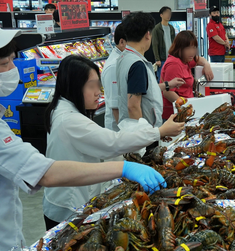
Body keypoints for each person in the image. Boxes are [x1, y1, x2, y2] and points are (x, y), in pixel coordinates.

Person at [0, 19, 166, 251]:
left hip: (1, 237)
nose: (12, 69)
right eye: (5, 63)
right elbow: (46, 172)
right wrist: (124, 169)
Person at [43, 55, 183, 228]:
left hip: (66, 198)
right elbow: (113, 143)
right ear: (74, 87)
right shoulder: (70, 120)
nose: (98, 93)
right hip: (67, 206)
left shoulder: (62, 108)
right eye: (92, 86)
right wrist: (159, 132)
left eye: (99, 86)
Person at [116, 12, 185, 155]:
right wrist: (146, 137)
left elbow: (143, 89)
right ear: (148, 34)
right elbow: (133, 105)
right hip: (143, 137)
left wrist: (167, 85)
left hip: (137, 132)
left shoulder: (124, 57)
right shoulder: (137, 64)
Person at [160, 31, 214, 121]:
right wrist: (186, 107)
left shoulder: (185, 60)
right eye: (188, 48)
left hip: (185, 112)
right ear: (179, 48)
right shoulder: (174, 64)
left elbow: (199, 60)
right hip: (174, 115)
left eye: (194, 48)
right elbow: (168, 92)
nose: (192, 52)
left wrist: (206, 64)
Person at [101, 22, 126, 132]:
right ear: (122, 42)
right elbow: (116, 107)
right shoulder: (114, 66)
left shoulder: (123, 60)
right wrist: (127, 136)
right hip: (117, 131)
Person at [152, 6, 176, 82]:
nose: (168, 15)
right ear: (161, 15)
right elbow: (155, 44)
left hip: (171, 57)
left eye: (169, 13)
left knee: (171, 77)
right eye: (166, 13)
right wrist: (157, 59)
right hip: (161, 59)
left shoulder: (171, 28)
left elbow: (174, 42)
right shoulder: (157, 28)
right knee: (161, 79)